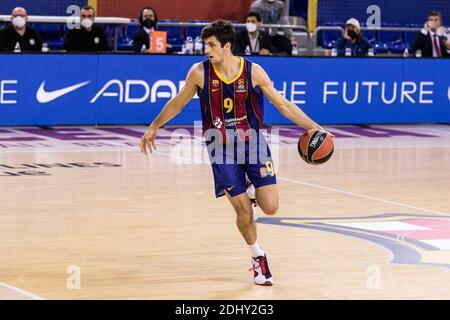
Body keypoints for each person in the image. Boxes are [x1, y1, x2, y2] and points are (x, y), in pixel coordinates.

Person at [140, 20, 328, 286]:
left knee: (271, 208)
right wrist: (154, 127)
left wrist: (315, 128)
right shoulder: (199, 72)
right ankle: (258, 257)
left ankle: (251, 186)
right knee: (243, 213)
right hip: (219, 146)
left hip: (252, 143)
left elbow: (283, 105)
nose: (207, 50)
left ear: (227, 46)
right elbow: (178, 103)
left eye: (212, 45)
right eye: (206, 44)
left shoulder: (253, 71)